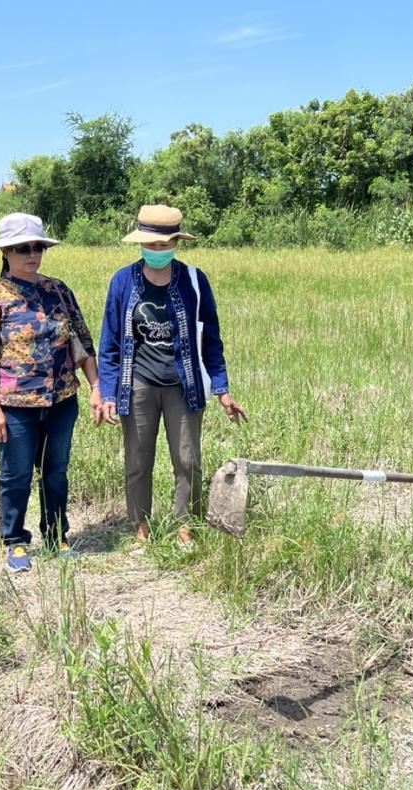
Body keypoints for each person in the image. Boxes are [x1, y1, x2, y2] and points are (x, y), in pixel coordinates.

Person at [96, 204, 247, 546]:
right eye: (151, 244)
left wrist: (222, 390)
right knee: (138, 460)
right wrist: (107, 394)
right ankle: (141, 528)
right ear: (140, 243)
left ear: (176, 243)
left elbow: (211, 340)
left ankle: (185, 527)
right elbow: (110, 343)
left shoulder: (194, 281)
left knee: (187, 459)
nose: (157, 250)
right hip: (137, 384)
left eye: (164, 245)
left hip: (184, 384)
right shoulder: (123, 281)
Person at [0, 212, 100, 572]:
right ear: (6, 252)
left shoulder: (58, 290)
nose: (32, 254)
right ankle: (14, 541)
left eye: (37, 247)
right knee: (16, 476)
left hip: (61, 401)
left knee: (56, 472)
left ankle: (57, 536)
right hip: (15, 406)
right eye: (22, 248)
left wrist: (96, 387)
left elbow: (82, 341)